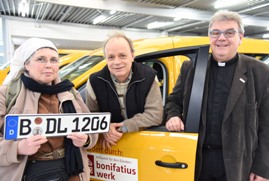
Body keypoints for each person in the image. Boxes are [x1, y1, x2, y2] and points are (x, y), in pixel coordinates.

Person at [164, 10, 269, 181]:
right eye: (215, 33)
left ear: (241, 37)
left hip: (238, 164)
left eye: (229, 33)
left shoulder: (260, 72)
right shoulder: (191, 68)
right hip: (197, 160)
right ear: (209, 37)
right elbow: (173, 101)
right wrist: (173, 115)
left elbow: (268, 125)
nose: (221, 38)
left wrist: (264, 169)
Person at [0, 38, 98, 181]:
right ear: (26, 64)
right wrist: (18, 148)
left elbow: (90, 127)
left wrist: (86, 139)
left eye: (53, 60)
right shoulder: (8, 94)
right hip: (27, 171)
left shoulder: (69, 91)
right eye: (41, 59)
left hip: (71, 169)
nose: (48, 65)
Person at [85, 31, 163, 149]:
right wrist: (105, 128)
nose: (117, 62)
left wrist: (122, 128)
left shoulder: (149, 77)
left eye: (122, 55)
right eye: (111, 57)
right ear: (106, 59)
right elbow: (90, 115)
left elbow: (155, 115)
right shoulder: (94, 82)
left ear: (132, 56)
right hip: (112, 148)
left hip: (142, 143)